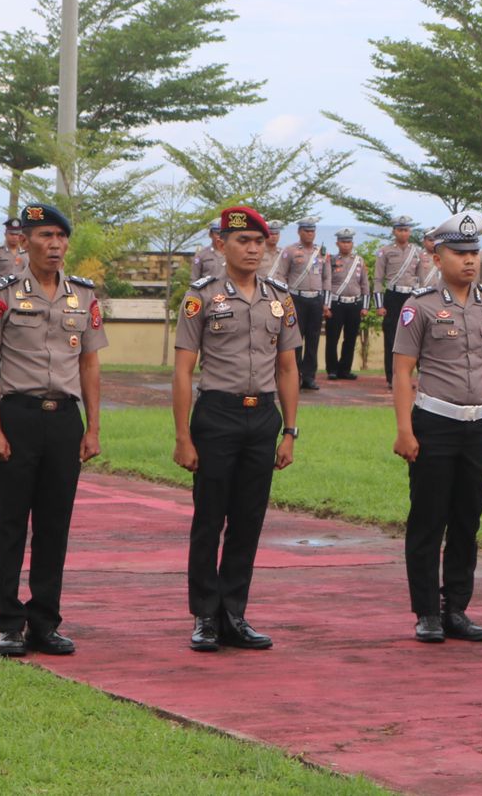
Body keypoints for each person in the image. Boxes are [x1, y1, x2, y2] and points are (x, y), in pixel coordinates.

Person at [0, 203, 105, 658]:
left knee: (54, 525)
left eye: (61, 237)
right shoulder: (3, 292)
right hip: (18, 416)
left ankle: (45, 621)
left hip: (64, 418)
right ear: (25, 241)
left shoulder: (83, 295)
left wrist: (93, 427)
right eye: (46, 236)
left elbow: (90, 363)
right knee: (11, 523)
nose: (55, 245)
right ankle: (10, 622)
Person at [172, 206, 299, 652]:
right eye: (243, 241)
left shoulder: (279, 298)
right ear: (221, 244)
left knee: (248, 520)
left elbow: (287, 367)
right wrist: (183, 436)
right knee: (210, 519)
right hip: (217, 416)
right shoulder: (202, 297)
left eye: (259, 242)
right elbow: (183, 370)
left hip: (262, 417)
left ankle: (234, 613)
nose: (252, 249)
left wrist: (290, 431)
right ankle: (205, 615)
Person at [392, 211, 482, 643]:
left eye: (474, 253)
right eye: (459, 253)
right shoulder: (420, 306)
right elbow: (402, 372)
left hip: (478, 425)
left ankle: (456, 609)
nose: (469, 260)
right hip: (434, 425)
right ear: (437, 257)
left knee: (467, 521)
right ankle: (427, 612)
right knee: (429, 521)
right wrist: (405, 430)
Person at [374, 217, 424, 388]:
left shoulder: (417, 252)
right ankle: (392, 378)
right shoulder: (385, 251)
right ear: (394, 231)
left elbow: (421, 280)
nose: (403, 233)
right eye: (400, 230)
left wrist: (422, 302)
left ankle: (416, 378)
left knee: (415, 337)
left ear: (410, 232)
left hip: (411, 297)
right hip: (392, 297)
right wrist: (379, 305)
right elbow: (378, 279)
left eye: (406, 230)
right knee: (391, 338)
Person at [282, 217, 329, 391]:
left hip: (316, 299)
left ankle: (309, 377)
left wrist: (326, 303)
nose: (310, 234)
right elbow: (281, 275)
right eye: (306, 231)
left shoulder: (321, 252)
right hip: (296, 298)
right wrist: (285, 300)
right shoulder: (290, 251)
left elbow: (327, 278)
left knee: (313, 339)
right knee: (295, 338)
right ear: (299, 232)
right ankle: (294, 375)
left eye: (312, 231)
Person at [324, 228, 368, 380]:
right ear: (337, 243)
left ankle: (345, 369)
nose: (346, 245)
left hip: (354, 304)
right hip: (336, 303)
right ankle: (332, 369)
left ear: (352, 243)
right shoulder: (331, 260)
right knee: (332, 338)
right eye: (343, 242)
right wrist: (326, 305)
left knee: (350, 339)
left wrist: (365, 306)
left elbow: (364, 284)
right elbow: (327, 282)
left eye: (348, 242)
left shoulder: (359, 261)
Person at [0, 218, 28, 285]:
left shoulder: (26, 253)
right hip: (2, 289)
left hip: (20, 289)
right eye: (11, 234)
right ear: (5, 234)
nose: (14, 237)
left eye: (17, 234)